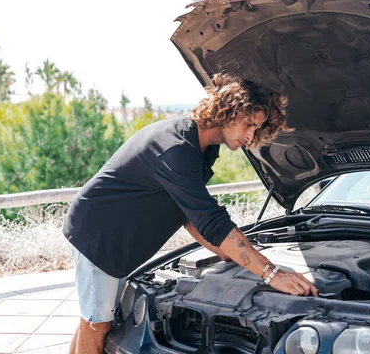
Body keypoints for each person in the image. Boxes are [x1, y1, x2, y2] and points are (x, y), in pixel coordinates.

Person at [63, 73, 318, 354]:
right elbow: (211, 220)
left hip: (118, 236)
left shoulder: (203, 148)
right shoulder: (176, 150)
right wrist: (270, 273)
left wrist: (227, 254)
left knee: (95, 317)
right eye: (248, 124)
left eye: (256, 129)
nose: (250, 136)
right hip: (100, 234)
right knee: (98, 323)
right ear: (229, 110)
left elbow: (188, 216)